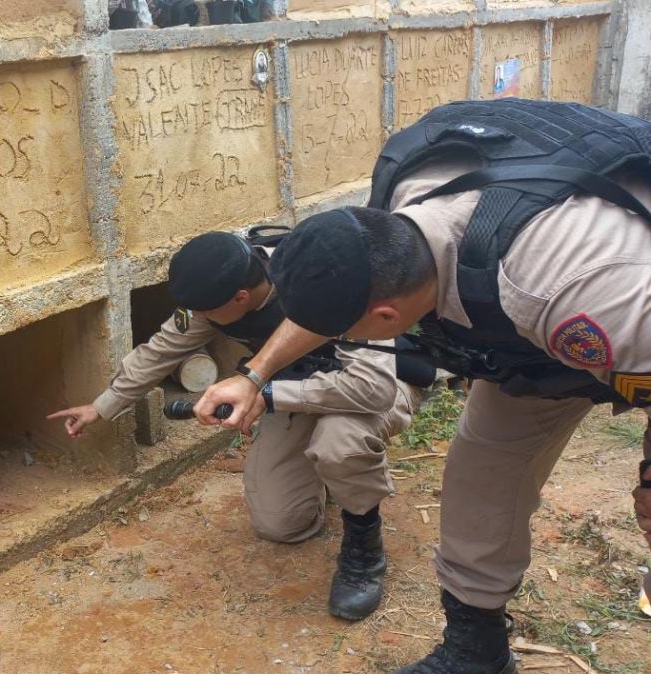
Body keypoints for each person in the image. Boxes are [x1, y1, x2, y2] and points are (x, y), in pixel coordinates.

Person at [192, 99, 651, 674]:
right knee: (480, 476)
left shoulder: (571, 293)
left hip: (618, 293)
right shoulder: (397, 214)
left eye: (343, 330)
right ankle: (475, 652)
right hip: (535, 335)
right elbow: (331, 298)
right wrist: (256, 375)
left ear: (386, 319)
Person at [48, 230, 432, 621]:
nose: (195, 318)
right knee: (279, 522)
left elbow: (373, 390)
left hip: (378, 384)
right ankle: (330, 479)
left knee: (339, 444)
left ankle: (364, 548)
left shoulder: (327, 283)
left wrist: (265, 397)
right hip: (297, 387)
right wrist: (102, 405)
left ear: (241, 299)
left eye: (203, 312)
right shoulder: (219, 291)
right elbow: (161, 350)